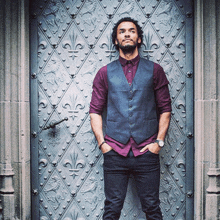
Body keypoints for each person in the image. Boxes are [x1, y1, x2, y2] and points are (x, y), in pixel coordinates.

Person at [89, 17, 171, 220]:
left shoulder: (155, 70)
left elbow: (166, 109)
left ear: (139, 39)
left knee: (152, 207)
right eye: (122, 31)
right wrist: (103, 144)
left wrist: (158, 142)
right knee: (112, 209)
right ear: (116, 40)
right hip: (115, 151)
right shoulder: (104, 73)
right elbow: (95, 111)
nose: (127, 34)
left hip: (147, 152)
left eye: (132, 31)